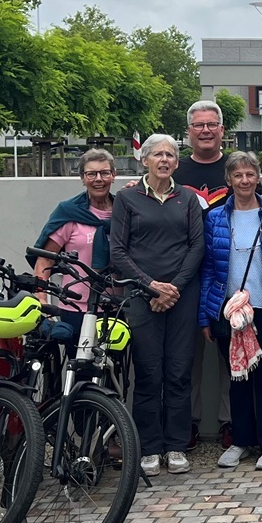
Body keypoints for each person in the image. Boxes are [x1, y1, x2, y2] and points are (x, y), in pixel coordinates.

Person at [198, 151, 262, 471]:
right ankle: (242, 440)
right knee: (237, 378)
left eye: (250, 175)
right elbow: (208, 269)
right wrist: (205, 314)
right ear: (228, 181)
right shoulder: (215, 218)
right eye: (238, 175)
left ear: (258, 178)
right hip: (229, 312)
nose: (244, 180)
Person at [111, 133, 205, 475]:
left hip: (182, 297)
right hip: (140, 296)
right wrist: (151, 287)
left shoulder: (188, 200)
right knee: (148, 373)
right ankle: (149, 447)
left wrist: (173, 289)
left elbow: (197, 248)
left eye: (170, 155)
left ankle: (176, 445)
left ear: (177, 163)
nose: (164, 160)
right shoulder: (127, 199)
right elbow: (118, 251)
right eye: (157, 155)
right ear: (144, 160)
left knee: (179, 373)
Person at [179, 99, 231, 451]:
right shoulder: (175, 171)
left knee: (232, 353)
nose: (206, 131)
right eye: (199, 125)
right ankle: (189, 423)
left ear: (222, 131)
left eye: (212, 124)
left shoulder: (237, 168)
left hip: (231, 276)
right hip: (186, 278)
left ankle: (231, 421)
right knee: (187, 358)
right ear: (189, 133)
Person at [32, 148, 117, 339]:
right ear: (82, 178)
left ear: (113, 176)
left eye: (104, 173)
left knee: (113, 365)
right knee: (77, 364)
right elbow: (45, 260)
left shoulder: (124, 212)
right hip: (74, 306)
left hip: (114, 305)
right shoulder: (69, 212)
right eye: (91, 174)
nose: (98, 179)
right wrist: (42, 300)